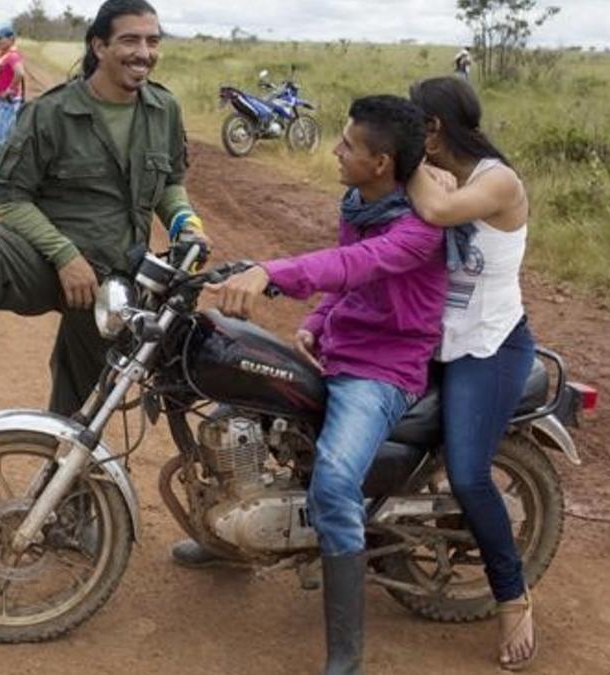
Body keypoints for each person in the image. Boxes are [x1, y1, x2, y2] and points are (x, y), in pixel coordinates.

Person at [181, 95, 448, 675]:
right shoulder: (361, 202)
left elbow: (353, 266)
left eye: (348, 144)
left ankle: (346, 654)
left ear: (381, 162)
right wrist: (314, 322)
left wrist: (269, 274)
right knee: (237, 408)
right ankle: (228, 541)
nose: (335, 149)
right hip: (340, 349)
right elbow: (348, 282)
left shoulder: (417, 231)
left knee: (332, 486)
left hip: (382, 372)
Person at [0, 0, 208, 450]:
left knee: (80, 414)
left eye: (153, 41)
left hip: (114, 284)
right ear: (99, 45)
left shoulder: (163, 109)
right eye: (130, 40)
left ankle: (69, 512)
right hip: (49, 264)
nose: (144, 52)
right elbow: (11, 196)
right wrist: (65, 255)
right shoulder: (51, 113)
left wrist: (185, 222)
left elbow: (170, 182)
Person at [407, 76, 537, 672]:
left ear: (432, 129)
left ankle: (512, 595)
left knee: (467, 472)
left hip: (489, 346)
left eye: (412, 124)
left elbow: (435, 210)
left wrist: (403, 160)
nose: (408, 132)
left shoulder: (497, 180)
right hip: (435, 338)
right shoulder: (443, 172)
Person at [0, 26, 27, 174]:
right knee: (3, 134)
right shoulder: (6, 55)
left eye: (1, 38)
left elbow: (20, 73)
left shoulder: (12, 56)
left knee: (0, 135)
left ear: (11, 39)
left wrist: (9, 90)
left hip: (9, 102)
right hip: (5, 101)